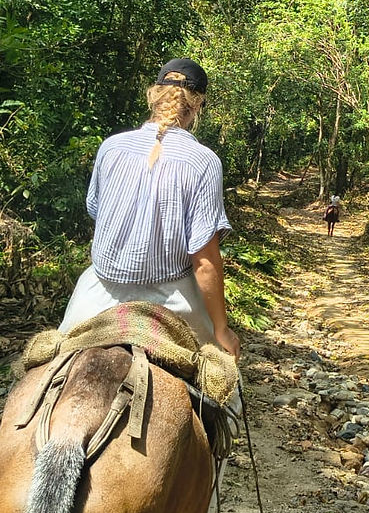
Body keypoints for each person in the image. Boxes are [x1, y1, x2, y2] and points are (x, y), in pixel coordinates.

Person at [60, 57, 241, 360]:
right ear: (198, 104)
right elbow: (205, 262)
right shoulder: (204, 162)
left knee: (49, 358)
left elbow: (98, 213)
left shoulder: (111, 147)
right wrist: (221, 329)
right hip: (171, 298)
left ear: (154, 94)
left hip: (99, 292)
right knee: (219, 374)